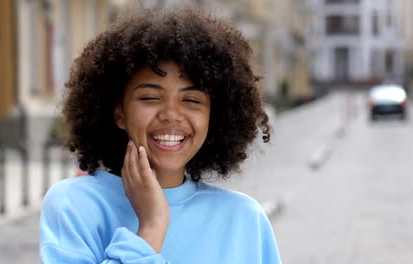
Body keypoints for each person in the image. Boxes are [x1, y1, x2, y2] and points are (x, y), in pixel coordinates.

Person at [40, 7, 281, 264]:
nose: (171, 115)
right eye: (150, 97)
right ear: (119, 113)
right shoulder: (74, 206)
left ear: (215, 116)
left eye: (191, 100)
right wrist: (151, 227)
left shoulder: (244, 219)